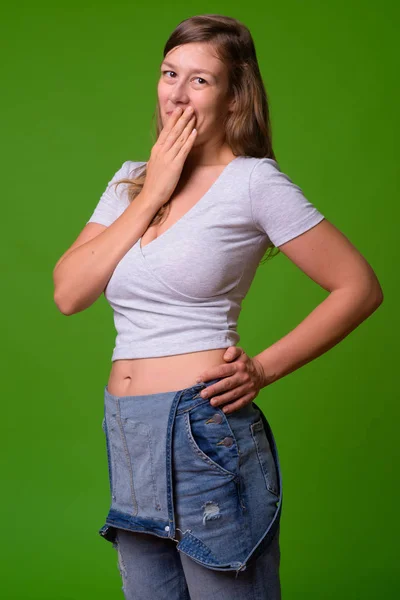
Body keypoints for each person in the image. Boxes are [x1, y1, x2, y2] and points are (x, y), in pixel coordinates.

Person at [52, 13, 383, 600]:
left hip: (202, 428)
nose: (177, 94)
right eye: (168, 73)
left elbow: (358, 286)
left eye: (200, 80)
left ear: (234, 96)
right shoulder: (130, 181)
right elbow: (69, 293)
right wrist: (153, 189)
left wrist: (263, 368)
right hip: (129, 434)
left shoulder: (253, 182)